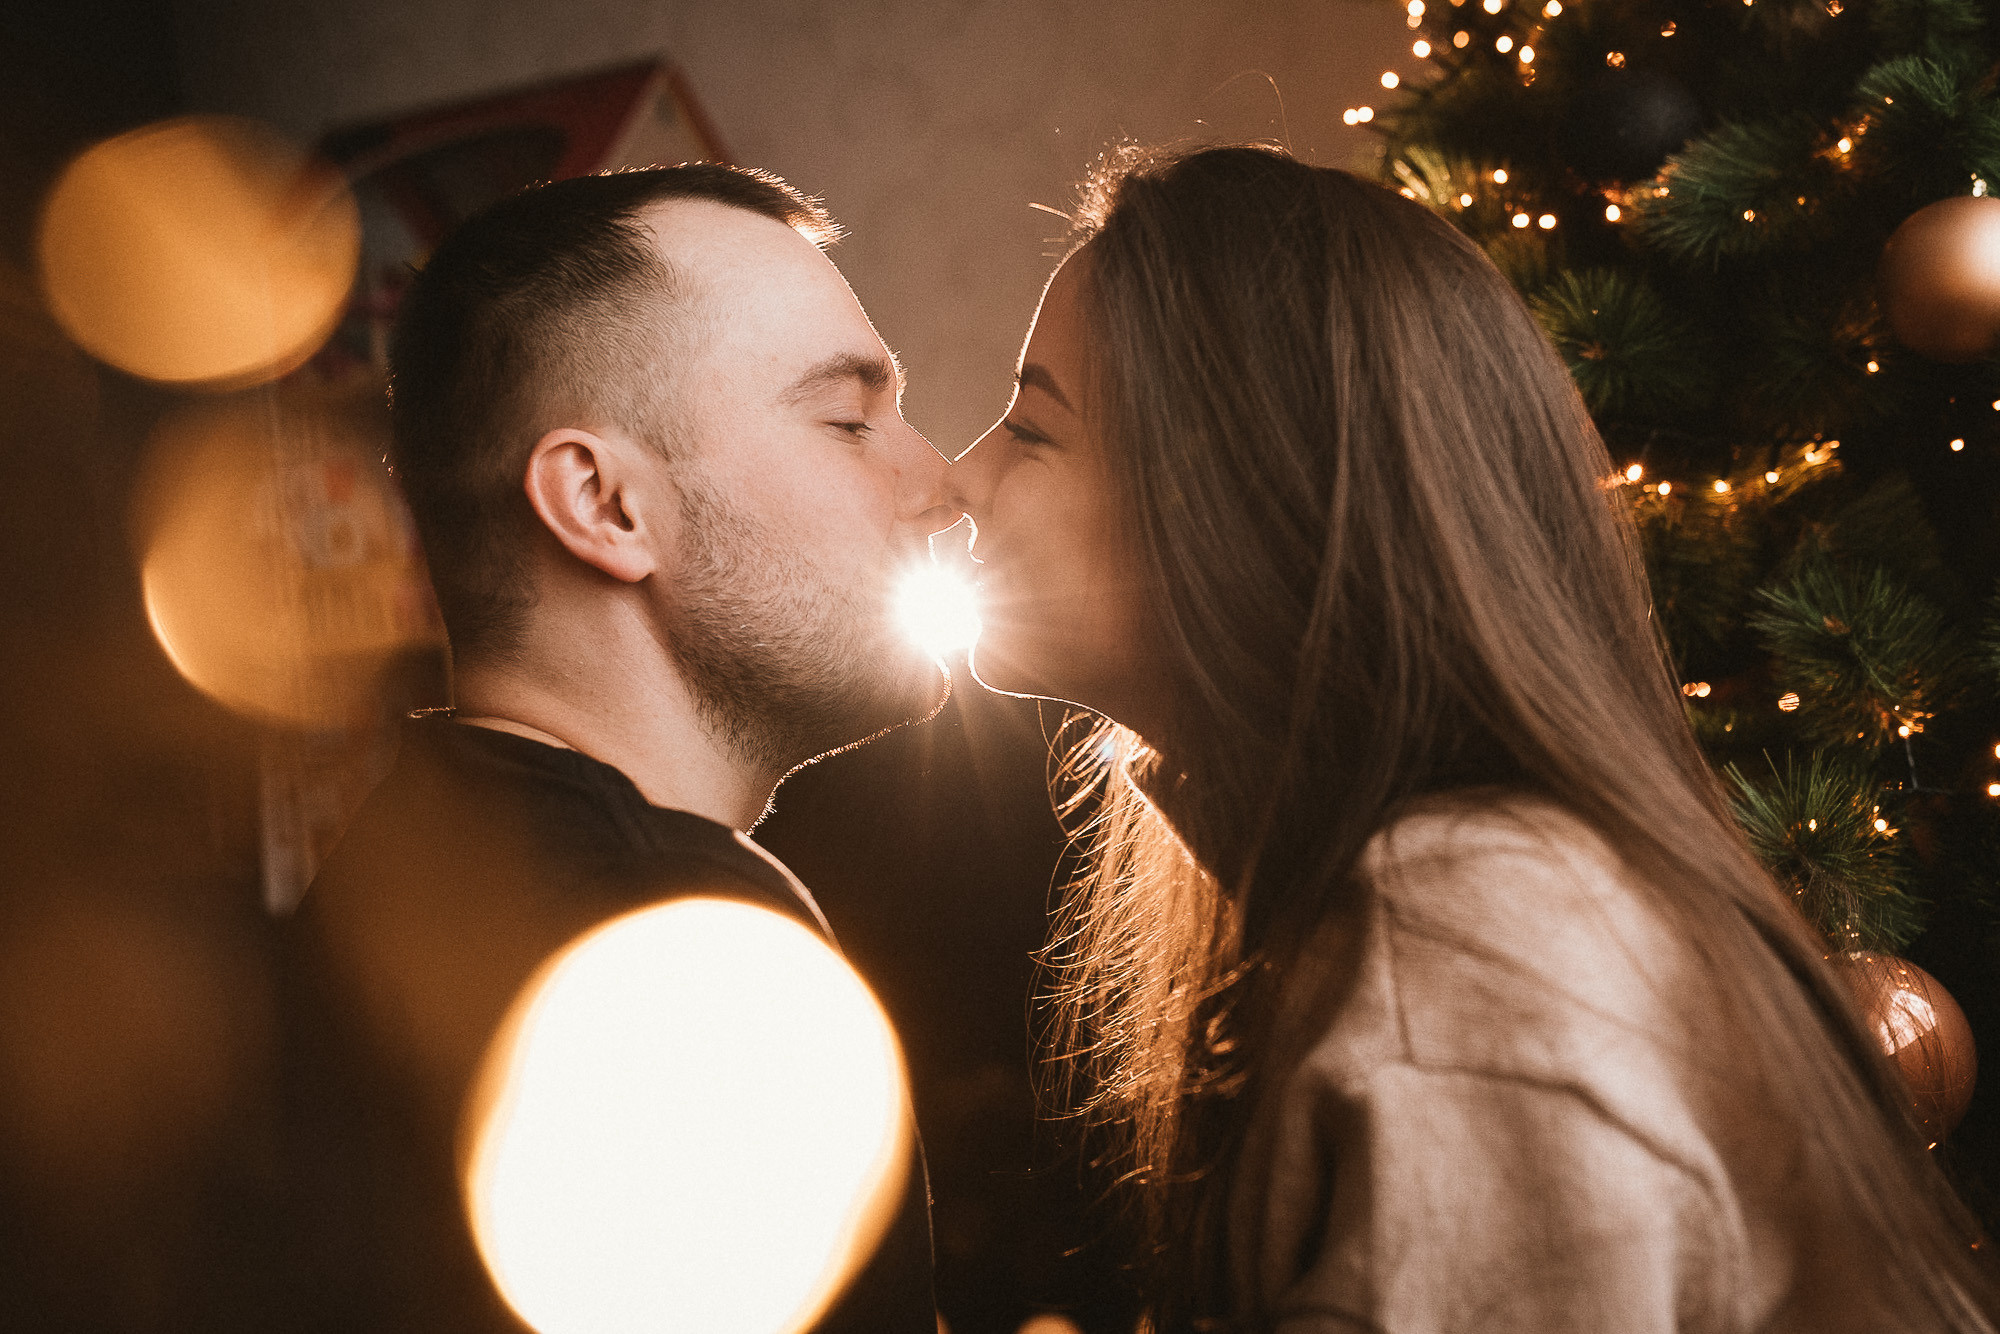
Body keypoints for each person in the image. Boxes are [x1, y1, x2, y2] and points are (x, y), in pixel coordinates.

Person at [949, 143, 2000, 1332]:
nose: (959, 478)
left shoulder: (1472, 936)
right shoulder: (1391, 899)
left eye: (1030, 429)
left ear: (1241, 487)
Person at [279, 164, 957, 1333]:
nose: (937, 481)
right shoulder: (679, 985)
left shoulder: (408, 874)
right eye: (848, 421)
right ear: (603, 503)